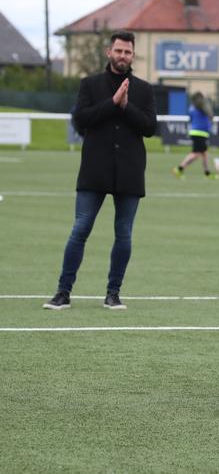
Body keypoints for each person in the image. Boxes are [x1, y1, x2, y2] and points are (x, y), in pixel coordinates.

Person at [43, 31, 157, 311]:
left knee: (124, 235)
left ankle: (113, 293)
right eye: (118, 51)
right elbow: (81, 120)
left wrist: (126, 106)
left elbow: (150, 128)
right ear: (109, 52)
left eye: (127, 52)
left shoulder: (143, 89)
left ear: (132, 55)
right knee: (80, 229)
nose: (122, 56)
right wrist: (112, 103)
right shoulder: (90, 85)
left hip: (129, 172)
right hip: (94, 170)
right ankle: (62, 292)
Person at [172, 92, 217, 179]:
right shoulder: (202, 106)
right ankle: (179, 168)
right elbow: (210, 114)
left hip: (195, 132)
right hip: (200, 133)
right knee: (196, 154)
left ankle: (207, 173)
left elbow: (191, 119)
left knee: (204, 154)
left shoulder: (192, 108)